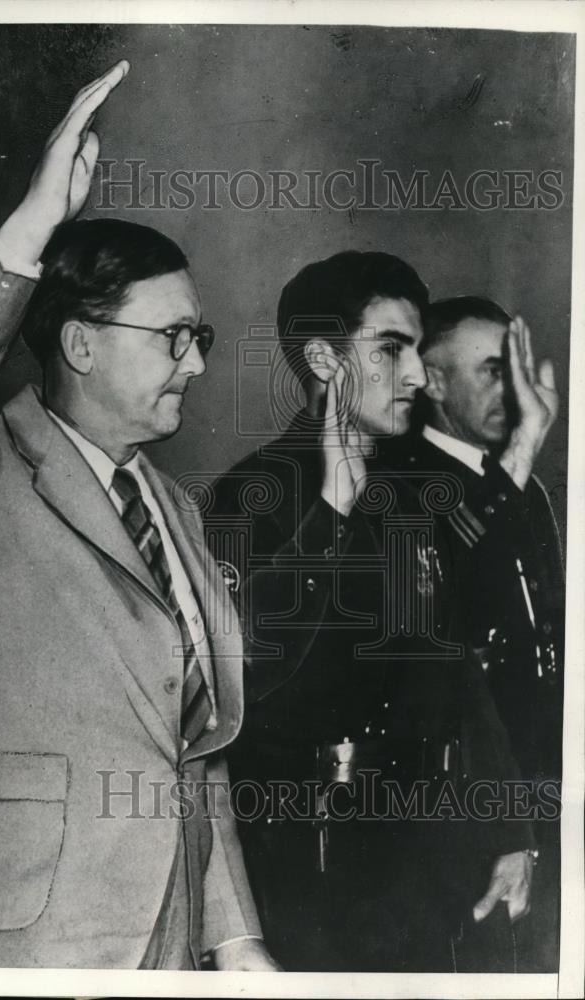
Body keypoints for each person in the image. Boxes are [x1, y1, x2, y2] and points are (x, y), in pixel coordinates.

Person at [0, 61, 278, 971]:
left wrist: (236, 936)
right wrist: (30, 228)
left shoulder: (179, 512)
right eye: (175, 338)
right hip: (27, 942)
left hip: (170, 943)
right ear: (81, 343)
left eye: (198, 339)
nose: (196, 364)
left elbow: (192, 751)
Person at [205, 252, 535, 972]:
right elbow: (241, 674)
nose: (416, 376)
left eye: (418, 352)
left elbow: (456, 673)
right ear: (323, 359)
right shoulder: (248, 495)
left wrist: (512, 829)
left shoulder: (411, 493)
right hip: (303, 868)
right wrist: (331, 511)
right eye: (391, 350)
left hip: (420, 862)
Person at [385, 296, 563, 970]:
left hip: (538, 786)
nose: (513, 392)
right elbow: (442, 615)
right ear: (433, 384)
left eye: (516, 371)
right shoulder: (398, 483)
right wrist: (521, 453)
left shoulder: (522, 487)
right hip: (465, 801)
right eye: (494, 371)